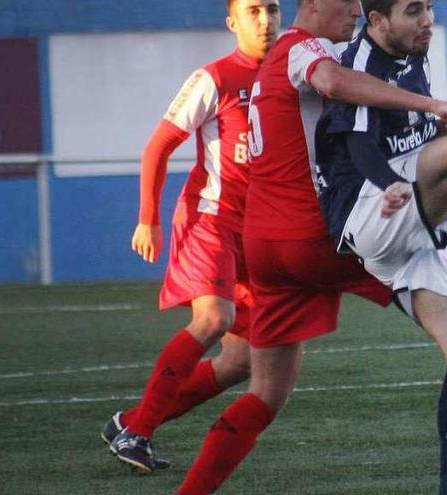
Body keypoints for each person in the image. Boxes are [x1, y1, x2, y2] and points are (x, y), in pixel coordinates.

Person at [176, 1, 447, 493]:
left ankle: (144, 427)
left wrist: (423, 123)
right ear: (314, 3)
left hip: (267, 247)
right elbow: (335, 84)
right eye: (349, 2)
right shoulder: (306, 49)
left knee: (262, 389)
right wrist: (432, 110)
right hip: (320, 239)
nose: (356, 10)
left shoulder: (276, 64)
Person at [101, 0, 282, 474]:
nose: (265, 21)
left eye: (273, 10)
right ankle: (137, 435)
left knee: (242, 360)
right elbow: (158, 146)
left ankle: (130, 423)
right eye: (254, 11)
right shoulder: (215, 78)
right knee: (213, 318)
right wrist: (148, 218)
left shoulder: (290, 79)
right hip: (210, 219)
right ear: (233, 22)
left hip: (258, 234)